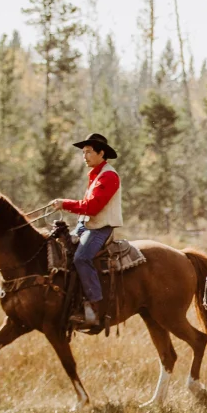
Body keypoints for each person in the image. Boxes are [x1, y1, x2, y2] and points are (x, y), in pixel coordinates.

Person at [50, 133, 123, 326]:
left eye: (89, 152)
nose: (84, 156)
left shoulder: (108, 176)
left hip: (100, 228)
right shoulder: (96, 175)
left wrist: (64, 204)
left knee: (81, 258)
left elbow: (92, 207)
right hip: (87, 225)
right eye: (83, 152)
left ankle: (94, 306)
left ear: (101, 153)